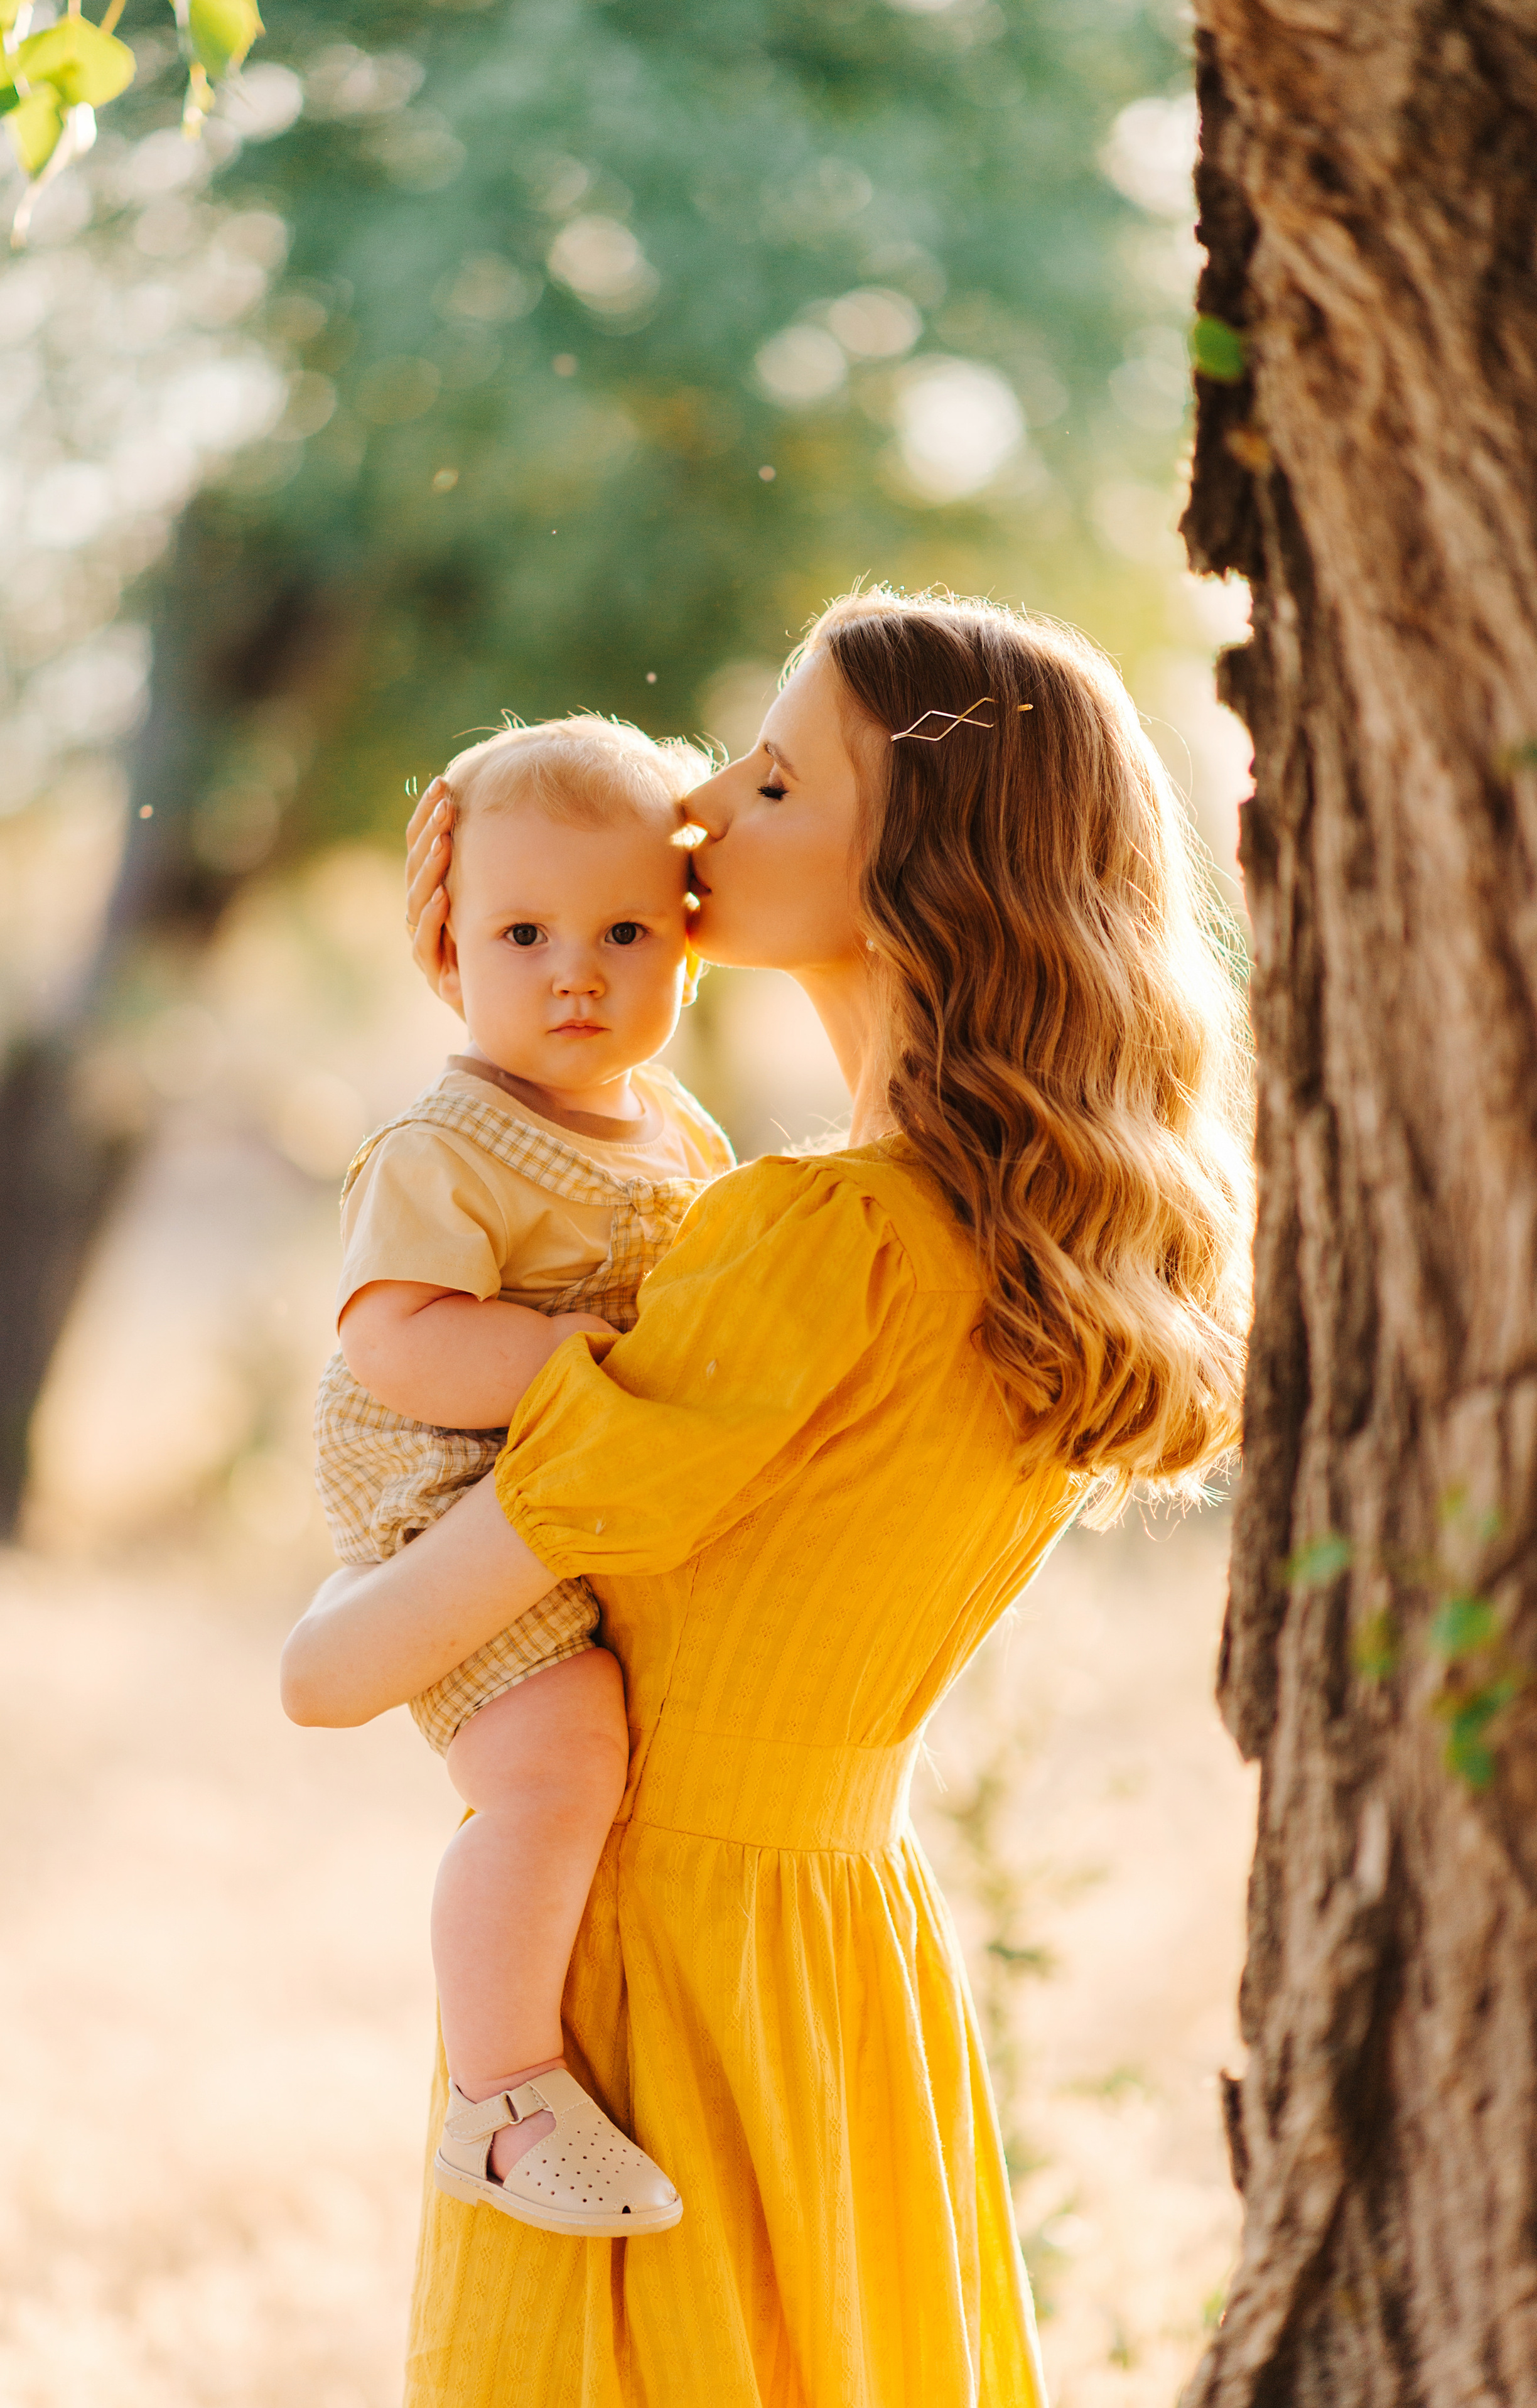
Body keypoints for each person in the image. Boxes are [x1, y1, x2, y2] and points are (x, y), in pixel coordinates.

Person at [281, 588, 1254, 2407]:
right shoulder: (1023, 1247)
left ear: (920, 877)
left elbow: (333, 1676)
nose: (702, 809)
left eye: (783, 779)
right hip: (845, 1955)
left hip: (649, 1965)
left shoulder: (802, 1240)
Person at [314, 716, 735, 2235]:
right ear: (447, 946)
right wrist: (599, 1376)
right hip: (439, 1486)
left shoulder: (675, 1131)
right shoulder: (448, 1144)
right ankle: (498, 2098)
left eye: (626, 928)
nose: (578, 969)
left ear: (692, 938)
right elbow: (401, 1350)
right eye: (524, 930)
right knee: (551, 1759)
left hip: (576, 1478)